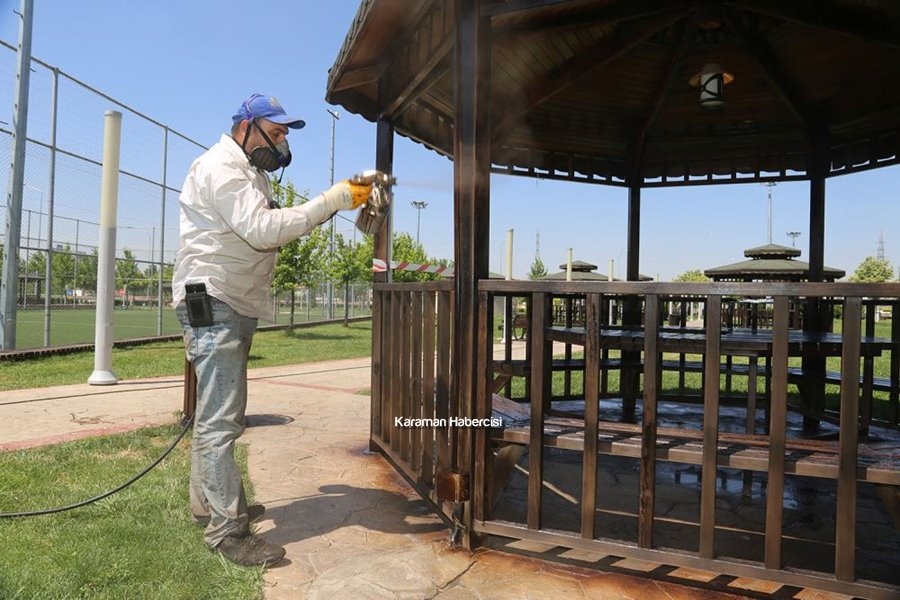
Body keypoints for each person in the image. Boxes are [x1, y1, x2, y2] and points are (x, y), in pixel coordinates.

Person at [172, 93, 376, 566]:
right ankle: (227, 532)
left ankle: (210, 507)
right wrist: (330, 201)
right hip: (216, 299)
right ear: (246, 127)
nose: (283, 142)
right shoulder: (221, 168)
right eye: (278, 131)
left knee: (214, 416)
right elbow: (261, 231)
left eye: (285, 134)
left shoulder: (251, 174)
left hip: (229, 300)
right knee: (221, 420)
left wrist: (335, 202)